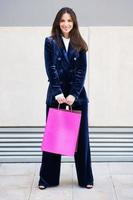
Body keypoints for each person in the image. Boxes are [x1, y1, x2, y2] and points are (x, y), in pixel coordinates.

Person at [38, 7, 94, 189]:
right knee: (53, 139)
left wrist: (73, 95)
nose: (66, 24)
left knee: (82, 140)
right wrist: (58, 93)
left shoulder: (80, 44)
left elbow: (81, 72)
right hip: (56, 97)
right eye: (62, 20)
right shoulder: (50, 42)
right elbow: (50, 68)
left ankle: (86, 179)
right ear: (57, 22)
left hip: (77, 98)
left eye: (69, 20)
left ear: (74, 22)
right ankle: (47, 179)